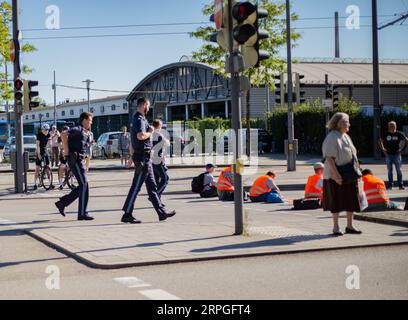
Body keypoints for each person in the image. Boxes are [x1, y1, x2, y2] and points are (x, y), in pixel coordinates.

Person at [121, 97, 176, 224]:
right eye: (148, 105)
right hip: (142, 158)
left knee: (152, 188)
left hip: (146, 158)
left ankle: (161, 213)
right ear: (144, 105)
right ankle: (127, 214)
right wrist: (150, 132)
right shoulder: (139, 119)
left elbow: (133, 141)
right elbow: (140, 136)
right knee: (136, 187)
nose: (149, 108)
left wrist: (130, 157)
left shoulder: (141, 119)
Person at [322, 112, 363, 236]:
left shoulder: (345, 136)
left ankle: (350, 226)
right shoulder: (332, 137)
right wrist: (336, 175)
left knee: (351, 200)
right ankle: (336, 227)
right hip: (336, 175)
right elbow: (329, 158)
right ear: (339, 123)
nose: (349, 124)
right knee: (336, 201)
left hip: (349, 174)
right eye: (347, 121)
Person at [55, 113, 94, 221]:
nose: (91, 122)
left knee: (84, 185)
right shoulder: (77, 128)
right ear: (84, 120)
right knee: (84, 184)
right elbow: (63, 134)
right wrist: (66, 150)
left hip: (80, 160)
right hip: (75, 160)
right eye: (90, 120)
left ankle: (63, 203)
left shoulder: (84, 132)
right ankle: (81, 213)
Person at [379, 121, 408, 190]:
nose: (392, 127)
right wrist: (383, 149)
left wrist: (402, 149)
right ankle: (390, 185)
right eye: (391, 125)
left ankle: (400, 185)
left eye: (393, 125)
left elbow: (406, 140)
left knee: (399, 170)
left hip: (397, 155)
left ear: (396, 126)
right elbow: (380, 141)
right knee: (390, 171)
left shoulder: (399, 133)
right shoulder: (386, 134)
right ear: (388, 126)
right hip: (388, 155)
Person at [152, 119, 170, 197]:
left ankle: (157, 200)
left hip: (152, 160)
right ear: (159, 126)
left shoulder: (150, 134)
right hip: (158, 160)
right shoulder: (158, 135)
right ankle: (155, 195)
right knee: (165, 179)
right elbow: (167, 143)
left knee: (156, 180)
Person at [34, 124, 52, 190]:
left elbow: (50, 143)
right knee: (37, 168)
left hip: (45, 150)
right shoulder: (39, 135)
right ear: (42, 130)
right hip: (39, 150)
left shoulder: (48, 134)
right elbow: (37, 145)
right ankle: (35, 183)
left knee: (48, 167)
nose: (47, 131)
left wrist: (50, 150)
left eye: (48, 130)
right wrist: (38, 154)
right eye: (45, 130)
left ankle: (50, 183)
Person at [58, 126, 70, 190]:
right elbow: (60, 145)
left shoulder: (70, 137)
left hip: (69, 154)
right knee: (62, 167)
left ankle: (71, 182)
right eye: (65, 131)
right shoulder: (60, 137)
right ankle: (60, 184)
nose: (66, 133)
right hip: (63, 154)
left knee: (71, 168)